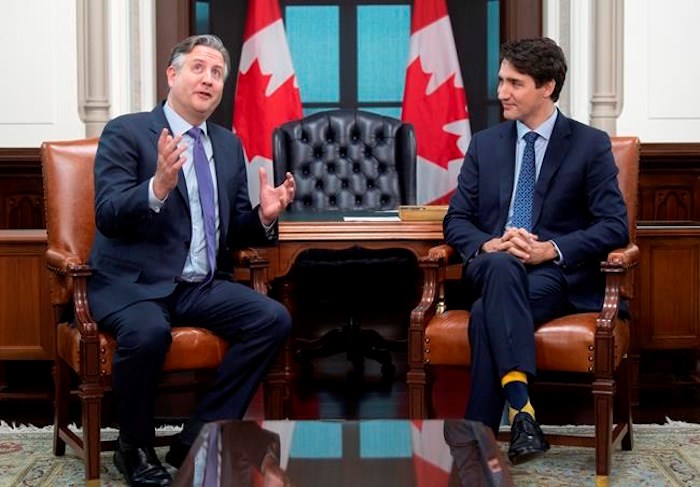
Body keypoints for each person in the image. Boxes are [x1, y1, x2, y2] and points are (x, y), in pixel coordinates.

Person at [88, 34, 295, 486]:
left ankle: (197, 435)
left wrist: (263, 215)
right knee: (147, 333)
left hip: (199, 284)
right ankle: (135, 447)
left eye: (217, 73)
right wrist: (157, 187)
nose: (208, 79)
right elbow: (107, 215)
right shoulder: (126, 131)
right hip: (134, 282)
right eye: (198, 68)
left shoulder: (226, 143)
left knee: (272, 318)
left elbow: (234, 227)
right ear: (172, 75)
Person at [443, 37, 629, 465]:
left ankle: (482, 433)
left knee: (490, 312)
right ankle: (522, 411)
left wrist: (551, 249)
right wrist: (489, 243)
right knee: (501, 267)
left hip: (554, 276)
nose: (501, 92)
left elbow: (613, 225)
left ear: (546, 87)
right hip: (490, 265)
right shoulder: (485, 144)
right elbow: (456, 221)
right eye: (501, 80)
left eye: (515, 83)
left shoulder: (589, 144)